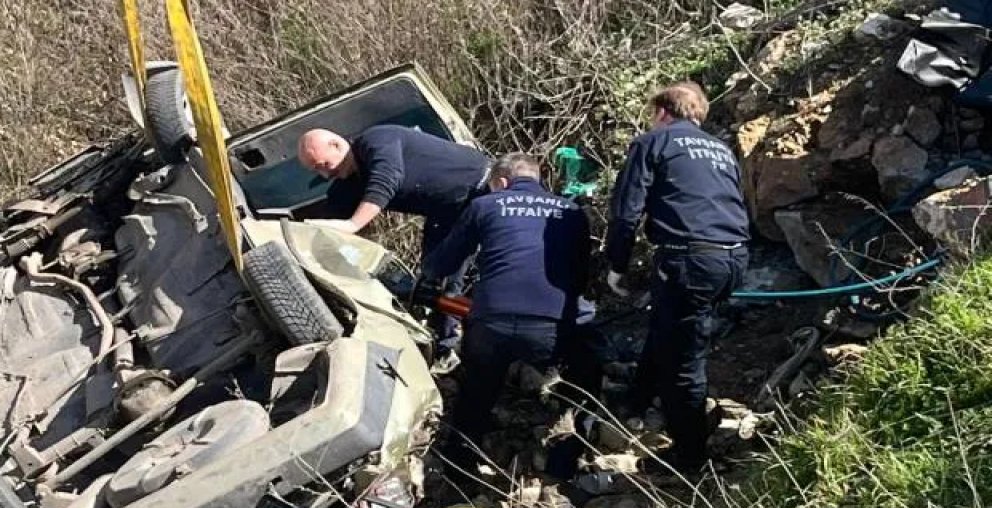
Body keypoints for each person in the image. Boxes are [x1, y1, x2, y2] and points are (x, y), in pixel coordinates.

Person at [420, 153, 602, 478]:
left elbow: (443, 263)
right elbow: (580, 275)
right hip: (550, 323)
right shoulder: (571, 211)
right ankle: (566, 459)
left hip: (492, 321)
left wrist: (429, 279)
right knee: (585, 377)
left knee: (477, 391)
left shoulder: (484, 206)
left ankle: (459, 468)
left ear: (502, 182)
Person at [604, 81, 751, 472]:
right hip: (733, 258)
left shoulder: (653, 142)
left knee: (684, 362)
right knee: (668, 324)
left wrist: (616, 264)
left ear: (662, 113)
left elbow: (626, 211)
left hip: (690, 260)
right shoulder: (721, 149)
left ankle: (689, 456)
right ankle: (638, 399)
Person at [296, 125, 491, 368]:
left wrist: (353, 224)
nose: (325, 175)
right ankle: (447, 346)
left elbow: (387, 179)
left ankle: (478, 338)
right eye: (317, 170)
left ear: (336, 145)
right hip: (446, 211)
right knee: (432, 281)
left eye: (324, 164)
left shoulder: (377, 140)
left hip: (483, 192)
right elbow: (331, 217)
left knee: (462, 279)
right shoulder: (351, 181)